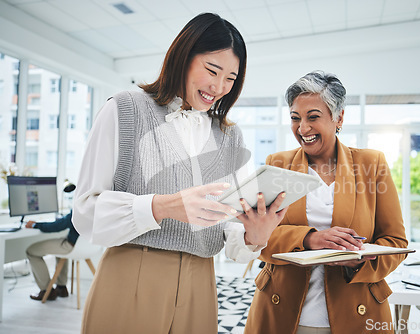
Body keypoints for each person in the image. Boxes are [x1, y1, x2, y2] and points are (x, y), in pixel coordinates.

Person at [72, 12, 288, 334]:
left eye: (231, 78)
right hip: (133, 273)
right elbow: (85, 211)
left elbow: (229, 226)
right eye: (212, 71)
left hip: (201, 283)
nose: (219, 87)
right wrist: (163, 206)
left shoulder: (231, 137)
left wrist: (254, 236)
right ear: (183, 57)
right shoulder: (125, 109)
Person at [244, 71, 408, 334]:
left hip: (357, 311)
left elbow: (396, 243)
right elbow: (257, 241)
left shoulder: (371, 164)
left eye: (313, 117)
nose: (303, 129)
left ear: (338, 117)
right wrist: (309, 240)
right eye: (295, 118)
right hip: (282, 313)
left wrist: (360, 261)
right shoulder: (278, 163)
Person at [25, 211, 78, 301]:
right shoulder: (98, 207)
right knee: (60, 251)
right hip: (86, 246)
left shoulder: (79, 209)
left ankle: (47, 290)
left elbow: (56, 226)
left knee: (31, 251)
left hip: (71, 246)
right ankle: (61, 288)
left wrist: (35, 225)